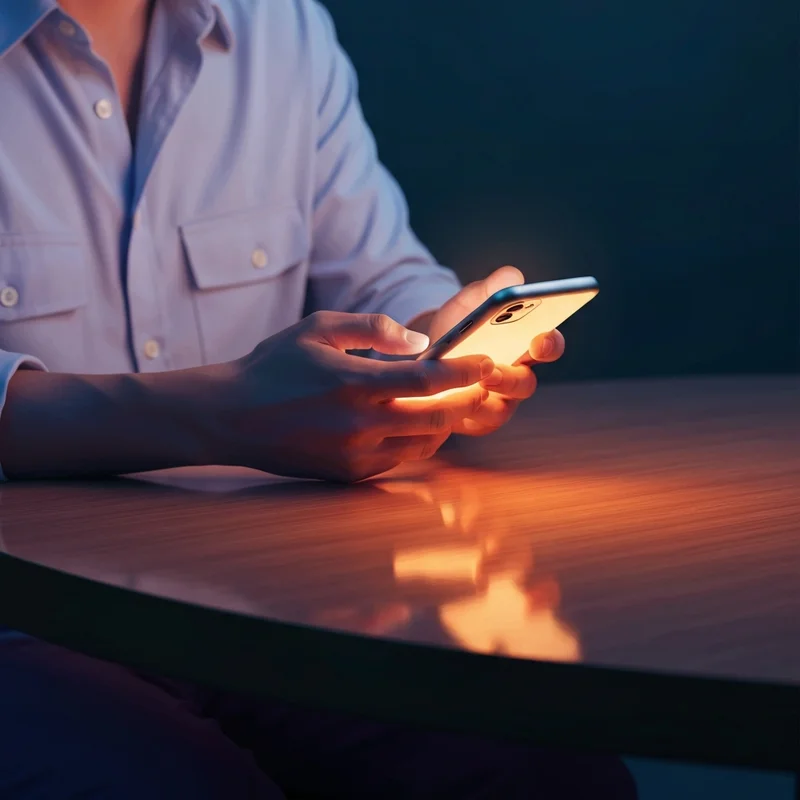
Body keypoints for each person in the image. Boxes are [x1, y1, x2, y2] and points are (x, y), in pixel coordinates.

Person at [0, 0, 636, 796]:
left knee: (545, 766)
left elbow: (378, 272)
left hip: (257, 600)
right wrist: (216, 413)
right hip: (25, 621)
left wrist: (434, 343)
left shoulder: (278, 26)